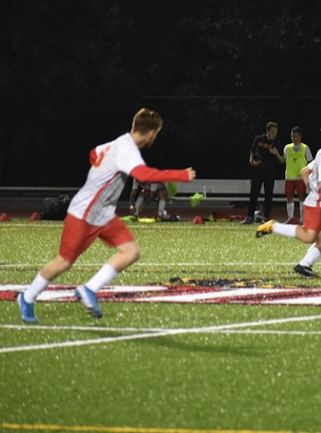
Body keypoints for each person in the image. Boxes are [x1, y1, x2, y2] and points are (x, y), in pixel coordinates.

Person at [17, 109, 196, 322]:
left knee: (131, 252)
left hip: (103, 213)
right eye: (155, 134)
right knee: (63, 262)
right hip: (84, 213)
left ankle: (89, 289)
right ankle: (27, 297)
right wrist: (181, 175)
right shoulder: (127, 150)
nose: (154, 138)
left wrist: (103, 173)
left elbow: (93, 153)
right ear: (150, 133)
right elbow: (143, 175)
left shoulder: (118, 143)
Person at [255, 117, 321, 277]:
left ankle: (304, 265)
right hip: (318, 204)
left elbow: (305, 171)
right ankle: (273, 226)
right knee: (309, 236)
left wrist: (310, 186)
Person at [242, 122, 285, 224]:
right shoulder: (259, 139)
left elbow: (282, 160)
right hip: (257, 170)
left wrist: (276, 153)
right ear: (268, 131)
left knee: (268, 195)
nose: (275, 134)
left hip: (269, 170)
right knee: (254, 194)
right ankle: (249, 217)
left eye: (276, 132)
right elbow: (252, 150)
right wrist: (252, 160)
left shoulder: (277, 143)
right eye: (273, 131)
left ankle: (266, 217)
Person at [283, 126, 313, 224]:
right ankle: (290, 218)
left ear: (300, 136)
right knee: (289, 197)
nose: (293, 138)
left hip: (300, 177)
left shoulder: (305, 148)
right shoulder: (287, 148)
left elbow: (310, 162)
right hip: (289, 177)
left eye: (295, 136)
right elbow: (283, 159)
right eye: (292, 136)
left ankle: (303, 219)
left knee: (301, 197)